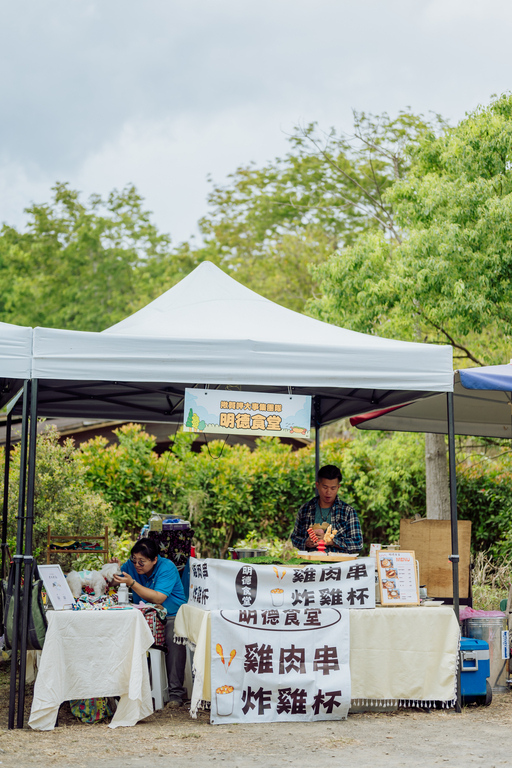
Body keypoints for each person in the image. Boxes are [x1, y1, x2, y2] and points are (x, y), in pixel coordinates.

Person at [113, 538, 188, 708]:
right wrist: (113, 571)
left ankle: (176, 693)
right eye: (134, 560)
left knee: (174, 636)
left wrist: (132, 583)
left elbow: (158, 598)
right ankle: (125, 691)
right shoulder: (131, 565)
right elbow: (114, 581)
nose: (137, 565)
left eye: (142, 561)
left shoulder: (167, 567)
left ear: (155, 559)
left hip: (171, 615)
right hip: (143, 615)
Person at [291, 464, 363, 553]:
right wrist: (306, 542)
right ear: (317, 485)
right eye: (325, 487)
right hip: (311, 560)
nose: (328, 492)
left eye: (333, 488)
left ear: (338, 487)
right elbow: (294, 538)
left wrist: (332, 541)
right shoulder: (305, 509)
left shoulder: (348, 511)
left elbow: (358, 543)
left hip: (337, 561)